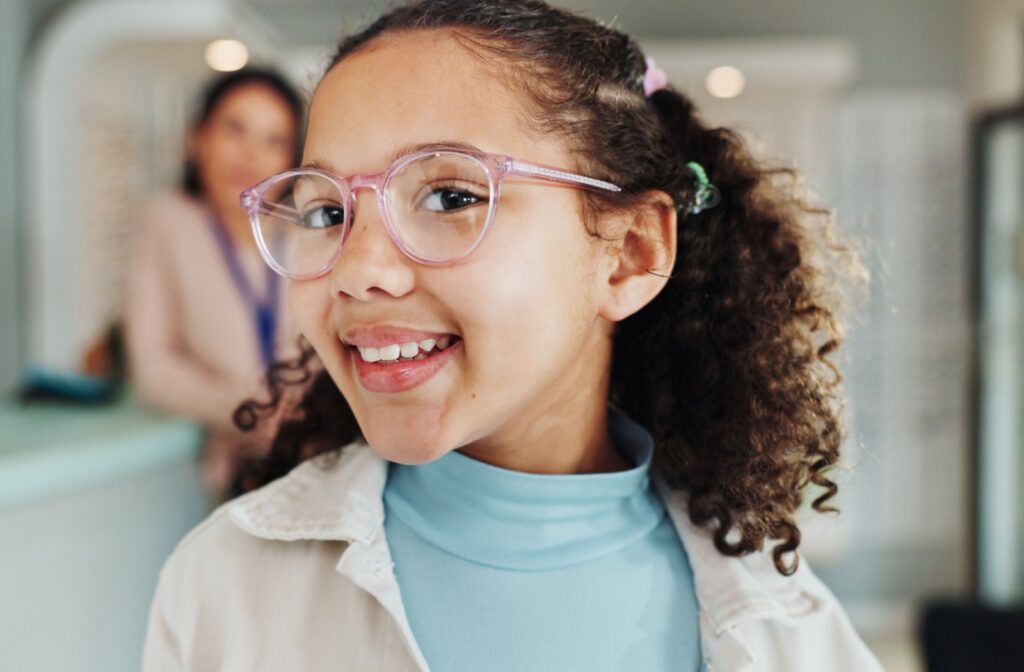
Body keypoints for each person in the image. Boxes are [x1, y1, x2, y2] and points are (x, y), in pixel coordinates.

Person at [142, 1, 883, 670]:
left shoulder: (792, 634)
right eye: (326, 213)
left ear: (629, 253)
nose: (357, 271)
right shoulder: (222, 587)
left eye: (450, 196)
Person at [125, 68, 304, 500]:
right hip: (240, 468)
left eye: (273, 140)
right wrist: (247, 408)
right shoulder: (170, 223)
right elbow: (153, 368)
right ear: (198, 137)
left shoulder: (309, 230)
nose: (250, 155)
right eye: (234, 130)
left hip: (326, 454)